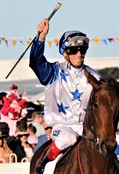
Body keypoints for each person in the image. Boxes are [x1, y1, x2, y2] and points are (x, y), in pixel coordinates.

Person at [29, 18, 101, 174]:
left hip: (88, 129)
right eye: (74, 50)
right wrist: (41, 38)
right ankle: (43, 164)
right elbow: (36, 62)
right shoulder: (54, 71)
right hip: (62, 128)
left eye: (83, 50)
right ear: (65, 53)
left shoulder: (95, 76)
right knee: (68, 138)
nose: (79, 54)